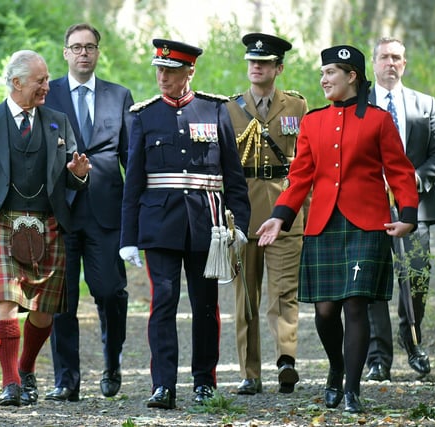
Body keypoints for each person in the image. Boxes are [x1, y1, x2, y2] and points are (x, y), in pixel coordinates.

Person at [256, 45, 419, 413]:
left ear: (352, 76)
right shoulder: (313, 122)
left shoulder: (378, 120)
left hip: (366, 225)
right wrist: (280, 215)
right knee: (326, 312)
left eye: (331, 72)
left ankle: (352, 389)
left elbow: (399, 171)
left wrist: (407, 213)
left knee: (356, 305)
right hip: (324, 225)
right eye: (322, 73)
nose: (324, 79)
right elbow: (300, 178)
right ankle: (337, 367)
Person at [0, 50, 90, 407]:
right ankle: (10, 382)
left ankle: (26, 368)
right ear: (16, 83)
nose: (47, 86)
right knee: (7, 299)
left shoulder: (58, 121)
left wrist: (78, 175)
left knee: (44, 311)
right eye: (40, 81)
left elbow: (72, 177)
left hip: (47, 222)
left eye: (46, 79)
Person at [119, 39, 251, 409]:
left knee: (205, 305)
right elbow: (134, 183)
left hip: (205, 224)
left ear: (189, 71)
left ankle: (203, 381)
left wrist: (237, 226)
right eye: (159, 70)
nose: (162, 77)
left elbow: (233, 177)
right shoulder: (143, 115)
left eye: (171, 71)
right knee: (163, 302)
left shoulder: (215, 110)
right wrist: (128, 237)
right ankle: (163, 385)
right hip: (159, 224)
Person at [43, 23, 134, 402]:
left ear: (98, 53)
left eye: (90, 47)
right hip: (60, 212)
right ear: (65, 53)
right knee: (61, 298)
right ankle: (67, 379)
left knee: (110, 292)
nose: (83, 54)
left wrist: (138, 215)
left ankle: (112, 362)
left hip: (106, 213)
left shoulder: (119, 96)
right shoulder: (48, 96)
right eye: (76, 47)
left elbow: (132, 159)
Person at [225, 33, 308, 395]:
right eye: (251, 62)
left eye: (264, 62)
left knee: (284, 292)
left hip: (285, 211)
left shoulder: (297, 107)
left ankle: (286, 359)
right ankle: (250, 372)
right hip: (243, 214)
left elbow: (307, 161)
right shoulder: (228, 109)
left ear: (278, 68)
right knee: (246, 298)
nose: (256, 67)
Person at [365, 37, 435, 382]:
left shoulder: (424, 104)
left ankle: (412, 339)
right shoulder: (359, 104)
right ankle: (378, 358)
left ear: (405, 64)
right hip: (370, 207)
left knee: (415, 276)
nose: (390, 63)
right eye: (384, 57)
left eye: (397, 58)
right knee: (372, 282)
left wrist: (413, 180)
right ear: (374, 63)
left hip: (415, 205)